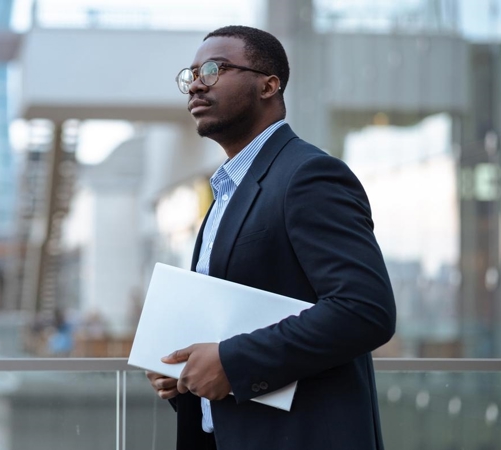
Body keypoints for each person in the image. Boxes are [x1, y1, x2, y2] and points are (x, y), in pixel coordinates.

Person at [145, 25, 396, 450]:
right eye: (189, 76)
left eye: (213, 69)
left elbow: (364, 310)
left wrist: (232, 362)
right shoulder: (225, 192)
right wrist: (185, 372)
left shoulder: (309, 175)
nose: (196, 85)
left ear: (269, 84)